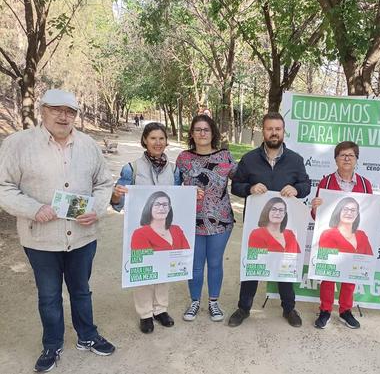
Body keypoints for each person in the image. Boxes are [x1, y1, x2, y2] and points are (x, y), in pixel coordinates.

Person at [0, 89, 115, 372]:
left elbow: (103, 183)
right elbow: (4, 187)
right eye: (57, 109)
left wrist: (97, 208)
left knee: (81, 290)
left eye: (70, 111)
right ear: (42, 110)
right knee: (49, 295)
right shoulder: (18, 144)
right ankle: (52, 344)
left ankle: (87, 336)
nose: (64, 116)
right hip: (41, 239)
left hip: (83, 237)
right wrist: (33, 209)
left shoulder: (88, 145)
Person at [228, 112, 311, 327]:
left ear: (283, 131)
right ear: (262, 131)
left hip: (285, 226)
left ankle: (289, 308)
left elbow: (306, 186)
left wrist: (296, 188)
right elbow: (236, 186)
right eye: (269, 129)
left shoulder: (295, 160)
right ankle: (243, 308)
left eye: (278, 129)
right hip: (256, 226)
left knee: (284, 266)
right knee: (253, 266)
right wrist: (249, 188)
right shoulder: (249, 159)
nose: (274, 133)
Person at [111, 122, 181, 334]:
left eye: (161, 138)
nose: (157, 143)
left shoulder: (175, 169)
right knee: (144, 271)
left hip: (164, 228)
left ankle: (160, 310)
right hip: (140, 230)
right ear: (145, 141)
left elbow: (178, 199)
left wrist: (191, 197)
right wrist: (116, 195)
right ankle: (145, 314)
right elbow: (118, 203)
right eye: (153, 138)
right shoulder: (131, 168)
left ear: (166, 142)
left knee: (163, 271)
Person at [311, 141, 380, 330]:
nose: (346, 159)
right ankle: (325, 310)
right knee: (327, 275)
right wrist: (315, 208)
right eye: (342, 155)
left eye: (350, 155)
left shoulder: (365, 184)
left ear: (356, 160)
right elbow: (317, 216)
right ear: (336, 159)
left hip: (354, 236)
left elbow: (370, 215)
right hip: (332, 237)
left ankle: (346, 311)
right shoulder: (326, 182)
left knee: (351, 274)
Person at [176, 114, 237, 322]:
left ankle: (213, 302)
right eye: (198, 129)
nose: (202, 133)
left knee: (215, 262)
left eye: (206, 130)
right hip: (191, 220)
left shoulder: (226, 157)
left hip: (221, 220)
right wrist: (185, 189)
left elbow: (242, 181)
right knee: (194, 263)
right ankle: (194, 301)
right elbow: (173, 187)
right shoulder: (183, 158)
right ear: (192, 133)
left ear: (213, 133)